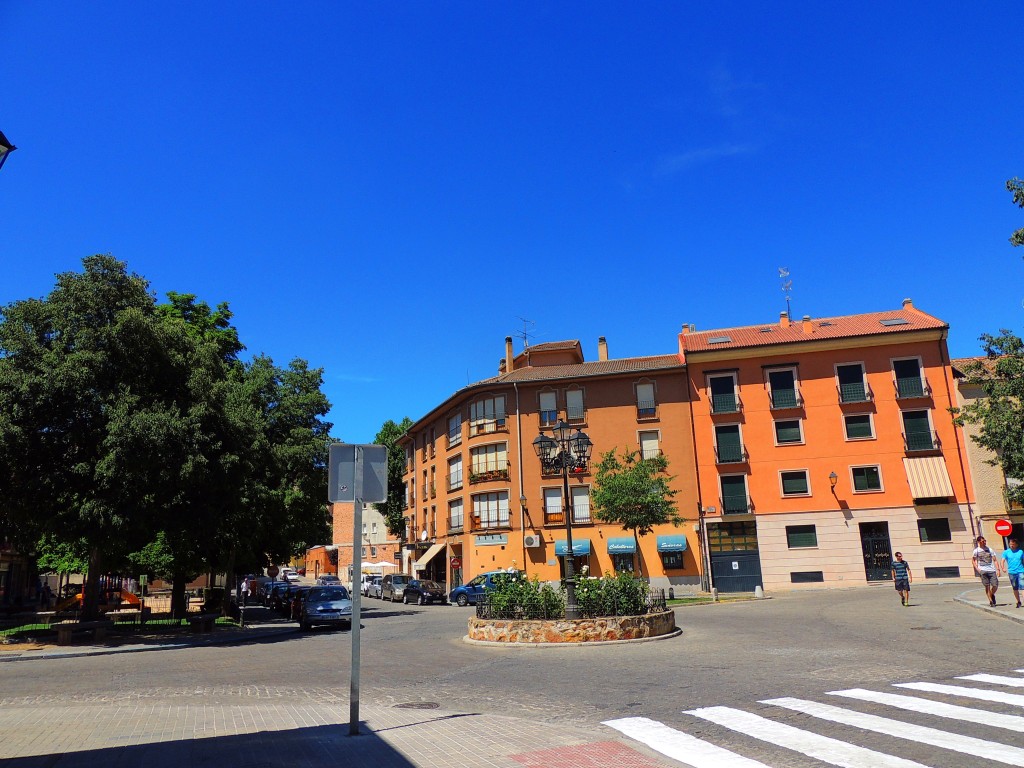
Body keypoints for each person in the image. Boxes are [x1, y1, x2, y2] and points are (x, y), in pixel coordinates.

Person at [973, 535, 1002, 606]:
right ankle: (991, 601)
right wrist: (978, 569)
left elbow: (995, 560)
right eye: (982, 541)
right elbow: (973, 560)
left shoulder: (990, 549)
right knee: (987, 586)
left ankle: (991, 594)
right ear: (979, 542)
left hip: (991, 570)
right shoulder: (976, 551)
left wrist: (998, 569)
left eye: (985, 541)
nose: (984, 542)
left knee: (995, 585)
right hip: (983, 570)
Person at [1000, 537, 1024, 609]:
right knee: (1015, 588)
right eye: (1010, 544)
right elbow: (1002, 560)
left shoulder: (1020, 552)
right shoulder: (1006, 552)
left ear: (1016, 544)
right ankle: (1018, 601)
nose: (1011, 545)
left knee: (1023, 587)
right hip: (1012, 572)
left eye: (1013, 544)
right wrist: (1003, 567)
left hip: (1021, 571)